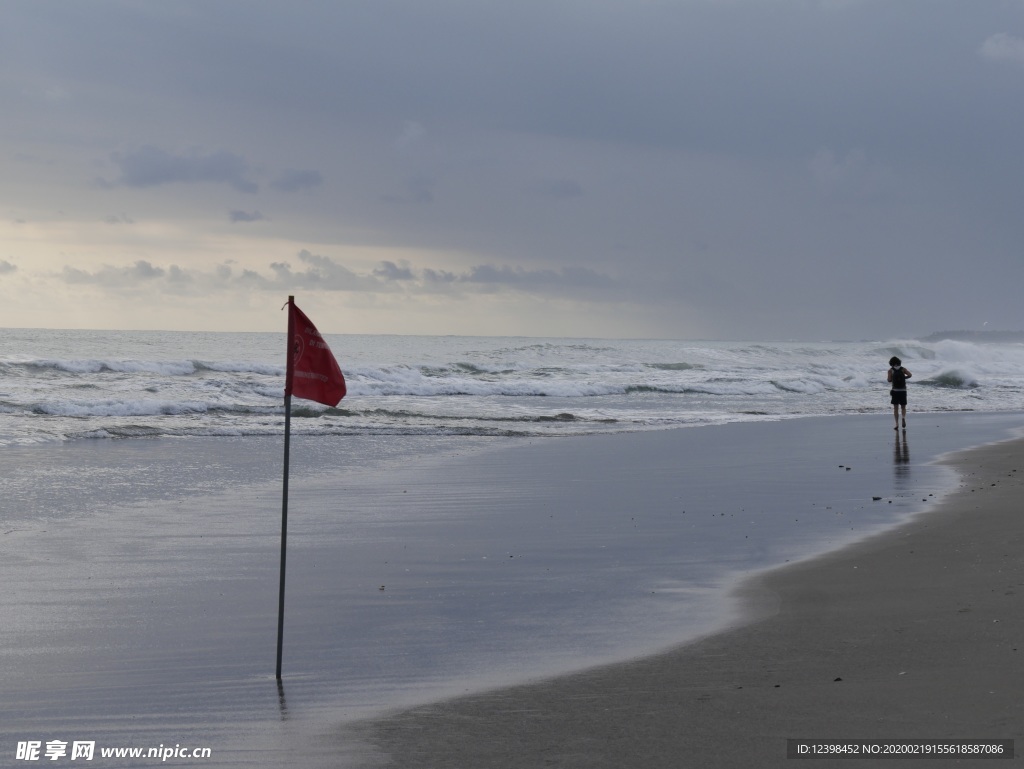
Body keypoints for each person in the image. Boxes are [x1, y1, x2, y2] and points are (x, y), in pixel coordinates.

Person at [887, 356, 912, 430]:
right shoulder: (903, 369)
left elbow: (889, 380)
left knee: (895, 408)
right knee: (903, 407)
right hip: (903, 391)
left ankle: (897, 424)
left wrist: (892, 379)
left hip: (895, 391)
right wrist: (904, 378)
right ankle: (903, 418)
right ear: (899, 362)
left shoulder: (890, 370)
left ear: (891, 363)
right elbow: (910, 375)